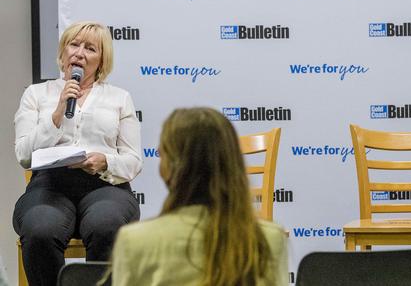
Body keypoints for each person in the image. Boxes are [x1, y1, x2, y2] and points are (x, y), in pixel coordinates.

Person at [13, 21, 142, 286]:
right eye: (74, 44)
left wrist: (105, 160)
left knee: (105, 225)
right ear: (63, 52)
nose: (79, 53)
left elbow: (133, 160)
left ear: (102, 60)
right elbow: (24, 155)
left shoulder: (119, 98)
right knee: (40, 229)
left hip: (105, 186)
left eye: (90, 48)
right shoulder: (36, 94)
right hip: (49, 185)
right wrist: (57, 115)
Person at [110, 108, 288, 286]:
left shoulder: (134, 241)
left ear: (167, 169)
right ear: (234, 163)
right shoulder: (270, 239)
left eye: (161, 153)